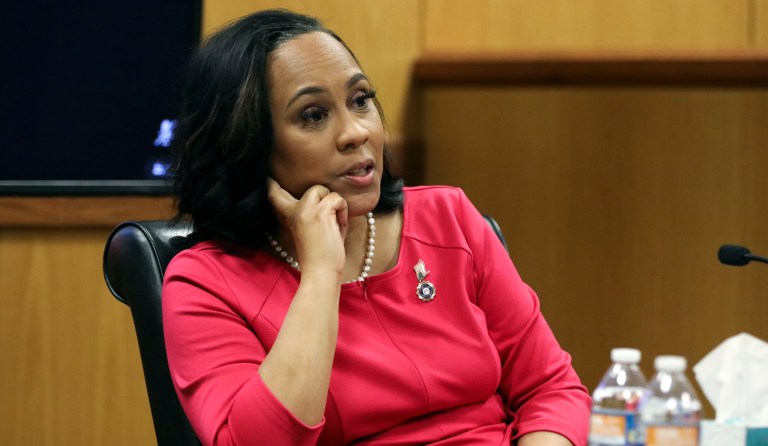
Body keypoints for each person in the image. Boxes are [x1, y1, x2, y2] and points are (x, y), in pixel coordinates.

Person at [163, 8, 591, 446]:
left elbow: (551, 389)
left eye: (360, 100)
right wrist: (321, 273)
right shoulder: (204, 284)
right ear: (246, 145)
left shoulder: (449, 218)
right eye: (313, 115)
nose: (356, 132)